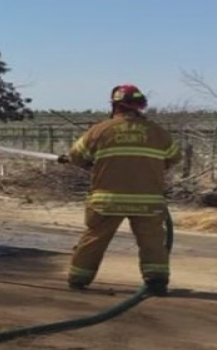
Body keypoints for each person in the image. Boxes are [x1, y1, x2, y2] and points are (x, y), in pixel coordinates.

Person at [57, 84, 181, 295]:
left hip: (107, 200)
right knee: (152, 242)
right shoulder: (158, 133)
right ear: (139, 107)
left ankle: (79, 279)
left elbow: (78, 157)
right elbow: (174, 158)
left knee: (94, 239)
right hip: (147, 201)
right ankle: (157, 283)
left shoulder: (100, 130)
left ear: (115, 106)